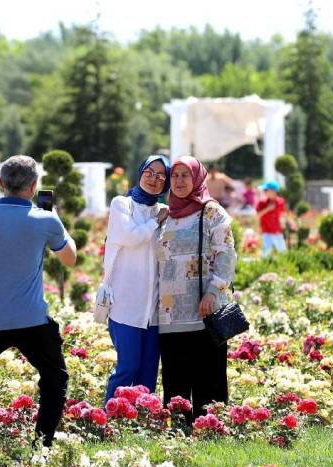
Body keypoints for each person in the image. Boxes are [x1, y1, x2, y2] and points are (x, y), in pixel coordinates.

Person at [0, 155, 76, 462]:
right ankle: (41, 446)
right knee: (55, 379)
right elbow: (70, 259)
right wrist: (54, 219)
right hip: (31, 319)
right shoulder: (45, 220)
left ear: (1, 183)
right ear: (34, 186)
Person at [156, 156, 237, 421]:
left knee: (208, 373)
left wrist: (213, 292)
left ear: (197, 178)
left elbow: (226, 255)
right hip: (170, 312)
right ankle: (179, 427)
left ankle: (210, 426)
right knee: (175, 375)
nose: (179, 181)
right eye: (175, 176)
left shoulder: (212, 212)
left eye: (185, 176)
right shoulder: (165, 215)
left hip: (204, 307)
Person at [103, 155, 169, 401]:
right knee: (127, 368)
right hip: (125, 304)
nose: (154, 178)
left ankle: (143, 423)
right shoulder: (122, 204)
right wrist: (155, 222)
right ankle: (108, 419)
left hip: (153, 308)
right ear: (140, 172)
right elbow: (130, 236)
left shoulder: (163, 211)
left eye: (161, 175)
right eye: (150, 172)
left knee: (148, 372)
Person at [256, 180, 287, 256]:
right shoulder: (262, 202)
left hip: (277, 231)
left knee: (283, 252)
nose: (264, 191)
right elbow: (258, 215)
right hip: (266, 232)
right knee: (266, 252)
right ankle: (265, 266)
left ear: (273, 191)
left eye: (266, 190)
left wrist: (288, 223)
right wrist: (267, 209)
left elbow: (283, 215)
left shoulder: (280, 202)